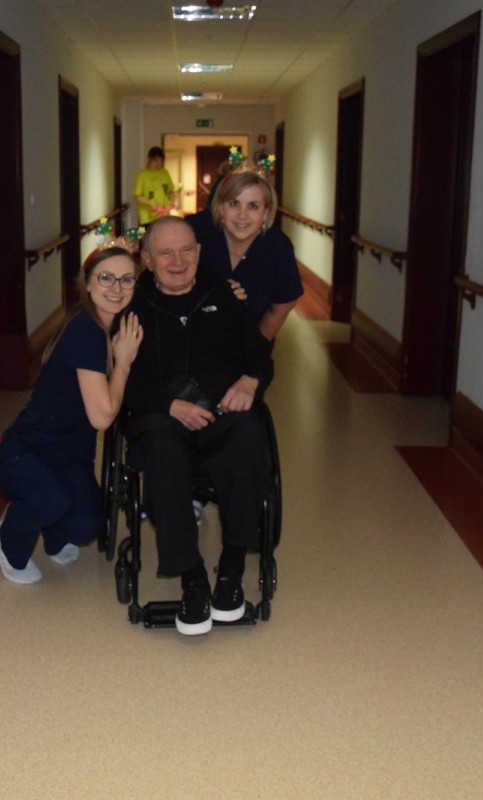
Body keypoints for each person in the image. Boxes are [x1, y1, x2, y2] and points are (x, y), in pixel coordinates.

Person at [121, 216, 274, 635]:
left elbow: (260, 355)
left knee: (249, 435)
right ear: (147, 259)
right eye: (165, 253)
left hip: (222, 415)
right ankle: (192, 578)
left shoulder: (223, 294)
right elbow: (122, 381)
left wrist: (251, 380)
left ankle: (231, 569)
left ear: (199, 252)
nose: (178, 261)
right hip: (162, 418)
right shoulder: (133, 306)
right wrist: (169, 405)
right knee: (161, 449)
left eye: (186, 250)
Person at [0, 246, 144, 584]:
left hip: (68, 455)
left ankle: (54, 534)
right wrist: (124, 363)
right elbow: (102, 418)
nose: (116, 288)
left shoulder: (107, 325)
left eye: (127, 279)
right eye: (106, 277)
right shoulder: (86, 330)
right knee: (50, 501)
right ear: (86, 282)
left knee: (86, 525)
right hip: (23, 452)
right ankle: (5, 540)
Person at [187, 170, 303, 340]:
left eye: (253, 206)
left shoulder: (277, 246)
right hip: (191, 341)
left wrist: (255, 348)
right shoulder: (197, 229)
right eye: (234, 203)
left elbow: (282, 306)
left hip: (249, 341)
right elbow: (157, 246)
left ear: (265, 213)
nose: (242, 215)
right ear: (221, 207)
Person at [133, 146, 177, 226]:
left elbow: (171, 191)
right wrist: (150, 204)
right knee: (147, 232)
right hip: (147, 217)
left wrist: (173, 201)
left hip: (163, 214)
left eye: (160, 161)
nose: (158, 164)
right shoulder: (142, 175)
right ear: (150, 159)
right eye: (155, 161)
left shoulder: (165, 173)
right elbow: (137, 196)